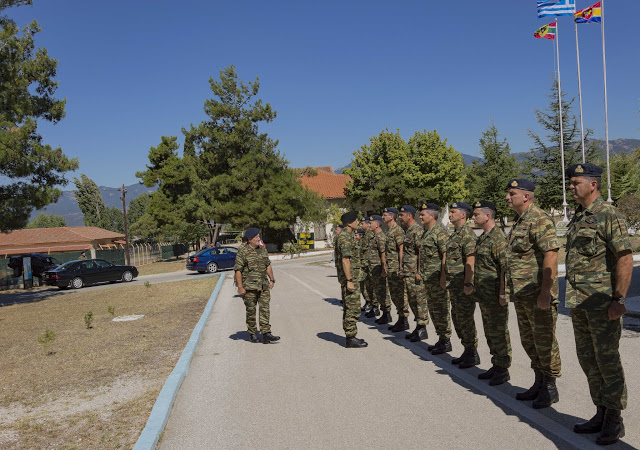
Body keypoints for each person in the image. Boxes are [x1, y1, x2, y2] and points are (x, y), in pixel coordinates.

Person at [564, 163, 632, 445]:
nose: (570, 186)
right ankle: (601, 411)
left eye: (575, 181)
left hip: (603, 303)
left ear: (593, 184)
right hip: (579, 302)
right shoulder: (579, 216)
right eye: (570, 182)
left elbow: (624, 258)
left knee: (607, 360)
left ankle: (615, 419)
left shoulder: (608, 214)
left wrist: (618, 299)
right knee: (588, 360)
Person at [505, 178, 561, 409]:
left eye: (512, 194)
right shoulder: (520, 221)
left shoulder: (538, 218)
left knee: (544, 341)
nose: (508, 197)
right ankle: (539, 381)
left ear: (526, 196)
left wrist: (546, 292)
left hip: (538, 294)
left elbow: (551, 254)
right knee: (529, 341)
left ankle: (550, 386)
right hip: (522, 294)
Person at [471, 201, 511, 386]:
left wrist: (503, 293)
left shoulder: (497, 238)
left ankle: (503, 369)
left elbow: (505, 268)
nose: (473, 217)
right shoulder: (483, 238)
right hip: (485, 295)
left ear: (487, 216)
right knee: (490, 331)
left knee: (499, 331)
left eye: (476, 214)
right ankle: (496, 364)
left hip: (495, 295)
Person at [234, 228, 279, 344]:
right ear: (250, 240)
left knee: (265, 309)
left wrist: (272, 279)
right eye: (256, 237)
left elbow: (267, 265)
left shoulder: (263, 249)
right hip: (249, 287)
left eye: (259, 236)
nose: (259, 239)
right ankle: (252, 333)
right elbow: (238, 270)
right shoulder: (243, 251)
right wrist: (240, 287)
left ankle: (266, 333)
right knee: (251, 310)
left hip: (263, 285)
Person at [442, 202, 476, 361]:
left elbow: (471, 259)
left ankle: (472, 352)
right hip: (454, 286)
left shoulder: (467, 234)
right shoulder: (455, 234)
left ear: (463, 215)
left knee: (465, 319)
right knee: (457, 318)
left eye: (453, 212)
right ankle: (466, 349)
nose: (450, 215)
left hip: (463, 286)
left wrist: (468, 283)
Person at [336, 211, 367, 348]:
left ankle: (351, 335)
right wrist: (349, 280)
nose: (358, 223)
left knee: (350, 307)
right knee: (352, 308)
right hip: (350, 278)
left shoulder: (346, 236)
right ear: (349, 223)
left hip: (352, 277)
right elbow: (345, 260)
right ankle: (350, 337)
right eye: (356, 220)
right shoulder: (345, 237)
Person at [417, 203, 448, 344]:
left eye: (423, 214)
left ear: (432, 215)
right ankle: (441, 338)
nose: (420, 217)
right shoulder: (426, 233)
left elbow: (445, 255)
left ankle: (445, 339)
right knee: (433, 310)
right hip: (428, 279)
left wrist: (443, 277)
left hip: (437, 280)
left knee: (441, 310)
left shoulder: (440, 233)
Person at [398, 205, 428, 342]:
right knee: (411, 300)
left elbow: (421, 251)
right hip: (408, 272)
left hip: (415, 273)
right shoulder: (408, 231)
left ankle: (422, 328)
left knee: (419, 300)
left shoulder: (417, 230)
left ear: (409, 216)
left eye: (401, 215)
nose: (399, 217)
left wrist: (419, 271)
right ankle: (418, 326)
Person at [383, 207, 410, 332]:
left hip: (396, 269)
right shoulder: (389, 231)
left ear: (391, 217)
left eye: (385, 215)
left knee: (400, 295)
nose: (383, 217)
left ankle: (404, 320)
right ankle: (400, 318)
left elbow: (401, 249)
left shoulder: (397, 231)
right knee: (394, 294)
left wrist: (401, 267)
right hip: (390, 269)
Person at [369, 215, 391, 324]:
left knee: (383, 291)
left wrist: (383, 269)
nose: (369, 225)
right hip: (375, 269)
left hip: (379, 270)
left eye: (371, 223)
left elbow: (383, 254)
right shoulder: (374, 236)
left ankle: (387, 313)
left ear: (377, 224)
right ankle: (384, 313)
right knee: (378, 291)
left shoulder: (380, 237)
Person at [359, 217, 377, 314]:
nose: (361, 225)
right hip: (365, 265)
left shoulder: (370, 235)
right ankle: (369, 303)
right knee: (367, 286)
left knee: (372, 287)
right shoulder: (365, 235)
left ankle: (375, 306)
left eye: (362, 224)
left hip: (370, 265)